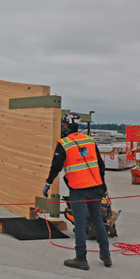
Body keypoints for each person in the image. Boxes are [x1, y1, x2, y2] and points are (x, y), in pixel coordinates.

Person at [42, 114, 111, 270]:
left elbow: (56, 167)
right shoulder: (89, 140)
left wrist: (47, 183)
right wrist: (103, 185)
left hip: (78, 190)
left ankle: (81, 258)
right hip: (96, 188)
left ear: (65, 126)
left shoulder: (64, 144)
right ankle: (106, 256)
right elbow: (101, 165)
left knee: (80, 224)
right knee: (98, 221)